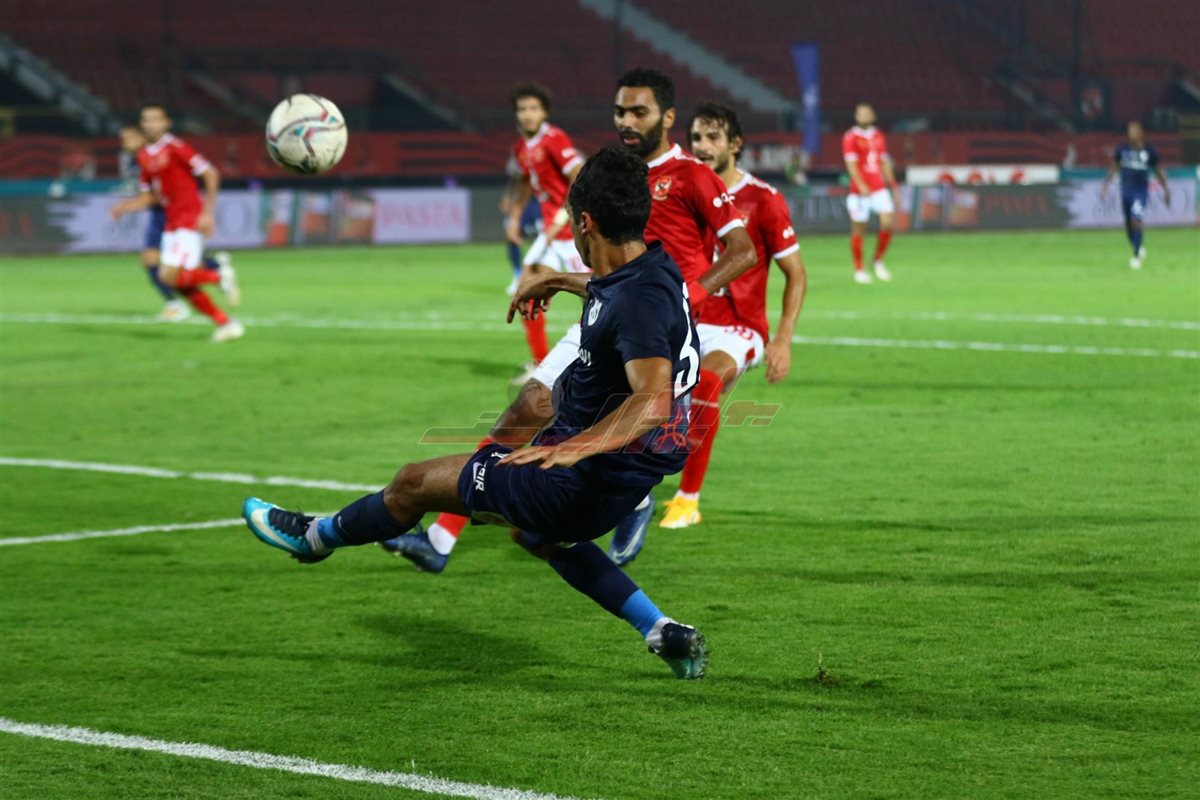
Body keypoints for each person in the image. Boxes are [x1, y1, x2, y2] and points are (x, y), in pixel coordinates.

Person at [243, 146, 708, 679]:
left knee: (412, 484)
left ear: (585, 222)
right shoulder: (653, 266)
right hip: (620, 476)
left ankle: (315, 537)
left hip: (578, 480)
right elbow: (619, 298)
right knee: (535, 533)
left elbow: (652, 400)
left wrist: (572, 449)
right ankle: (662, 631)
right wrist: (560, 280)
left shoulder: (635, 301)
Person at [384, 67, 755, 570]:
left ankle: (633, 502)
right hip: (603, 312)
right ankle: (441, 538)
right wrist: (560, 277)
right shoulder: (611, 171)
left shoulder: (693, 175)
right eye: (620, 111)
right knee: (526, 409)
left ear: (667, 117)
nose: (626, 120)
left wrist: (685, 296)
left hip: (651, 328)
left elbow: (742, 250)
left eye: (639, 111)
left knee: (624, 426)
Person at [660, 102, 808, 529]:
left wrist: (783, 339)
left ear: (735, 144)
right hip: (686, 320)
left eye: (713, 138)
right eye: (696, 138)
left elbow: (796, 274)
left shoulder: (763, 199)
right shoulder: (682, 191)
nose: (703, 146)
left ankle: (687, 500)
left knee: (706, 382)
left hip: (738, 328)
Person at [111, 103, 243, 342]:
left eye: (155, 119)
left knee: (168, 276)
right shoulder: (144, 156)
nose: (150, 124)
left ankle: (218, 276)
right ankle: (226, 323)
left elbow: (211, 174)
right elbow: (149, 196)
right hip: (171, 221)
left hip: (188, 217)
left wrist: (207, 213)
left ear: (166, 123)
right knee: (180, 284)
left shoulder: (176, 147)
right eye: (146, 120)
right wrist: (125, 207)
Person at [504, 84, 586, 377]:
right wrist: (515, 218)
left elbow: (579, 175)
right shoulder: (522, 147)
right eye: (522, 109)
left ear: (545, 113)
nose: (527, 114)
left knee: (597, 298)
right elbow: (527, 182)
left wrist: (565, 215)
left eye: (533, 109)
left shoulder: (554, 139)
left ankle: (603, 359)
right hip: (550, 235)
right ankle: (542, 367)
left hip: (574, 233)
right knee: (527, 290)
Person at [1101, 121, 1171, 270]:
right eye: (1129, 131)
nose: (1131, 134)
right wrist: (1106, 184)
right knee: (1128, 224)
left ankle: (1136, 256)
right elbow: (1114, 167)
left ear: (1141, 133)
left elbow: (1158, 171)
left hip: (1140, 192)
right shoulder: (1122, 150)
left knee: (1136, 221)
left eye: (1134, 131)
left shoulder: (1149, 151)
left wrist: (1166, 189)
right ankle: (1137, 245)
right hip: (1125, 191)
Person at [842, 103, 898, 284]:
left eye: (867, 113)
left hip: (879, 188)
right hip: (859, 193)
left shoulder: (879, 135)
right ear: (856, 116)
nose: (864, 116)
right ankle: (859, 268)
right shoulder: (850, 137)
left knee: (887, 223)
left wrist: (893, 186)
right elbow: (851, 165)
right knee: (859, 229)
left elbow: (884, 162)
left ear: (873, 116)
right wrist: (861, 185)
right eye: (861, 113)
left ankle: (878, 260)